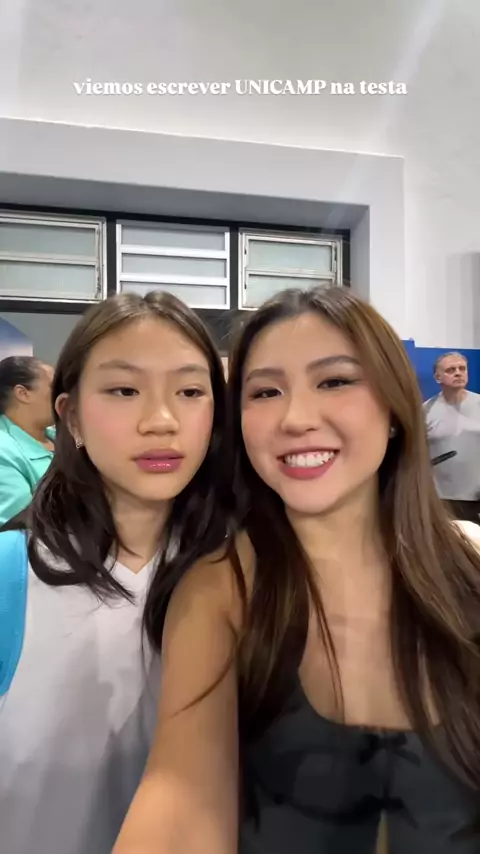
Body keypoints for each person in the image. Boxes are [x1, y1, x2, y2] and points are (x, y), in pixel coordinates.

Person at [114, 287, 480, 854]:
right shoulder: (221, 589)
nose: (296, 418)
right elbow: (181, 802)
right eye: (265, 392)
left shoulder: (470, 565)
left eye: (334, 381)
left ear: (393, 407)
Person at [0, 290, 228, 854]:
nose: (162, 421)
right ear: (70, 416)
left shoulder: (242, 574)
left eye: (190, 392)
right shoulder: (12, 575)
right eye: (124, 390)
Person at [424, 352, 480, 522]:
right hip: (441, 498)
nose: (458, 373)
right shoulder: (425, 411)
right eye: (451, 370)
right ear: (438, 377)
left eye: (462, 368)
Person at [0, 355, 55, 526]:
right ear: (23, 394)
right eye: (54, 387)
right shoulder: (4, 451)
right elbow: (17, 526)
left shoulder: (62, 436)